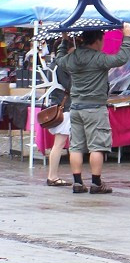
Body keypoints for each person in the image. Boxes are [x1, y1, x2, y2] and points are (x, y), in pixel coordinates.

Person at [55, 24, 130, 194]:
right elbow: (121, 58)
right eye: (102, 40)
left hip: (76, 108)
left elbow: (59, 60)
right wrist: (127, 37)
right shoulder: (99, 58)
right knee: (97, 146)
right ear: (97, 40)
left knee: (75, 146)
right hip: (95, 109)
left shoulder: (72, 58)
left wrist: (64, 41)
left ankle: (77, 183)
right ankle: (96, 183)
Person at [46, 37, 74, 187]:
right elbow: (68, 85)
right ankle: (53, 176)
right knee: (59, 143)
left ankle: (53, 175)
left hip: (57, 104)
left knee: (59, 143)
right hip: (64, 106)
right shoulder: (62, 64)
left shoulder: (54, 63)